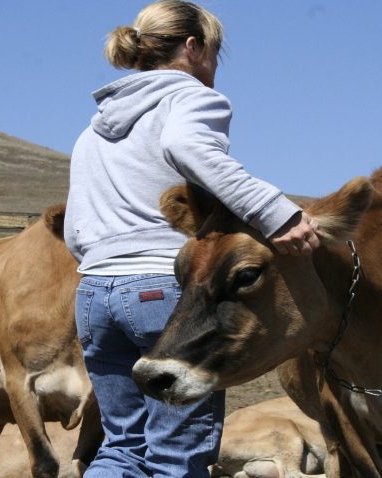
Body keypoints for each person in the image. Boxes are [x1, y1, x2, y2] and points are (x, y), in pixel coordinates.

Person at [64, 1, 321, 476]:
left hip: (93, 295)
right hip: (161, 292)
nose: (215, 67)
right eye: (215, 52)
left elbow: (75, 230)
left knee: (123, 448)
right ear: (192, 47)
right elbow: (186, 146)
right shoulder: (190, 97)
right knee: (177, 453)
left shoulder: (93, 130)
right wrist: (275, 214)